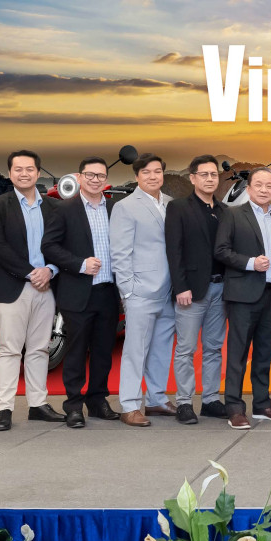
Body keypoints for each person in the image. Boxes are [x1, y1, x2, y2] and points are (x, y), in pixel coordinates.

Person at [0, 149, 65, 431]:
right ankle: (4, 408)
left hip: (46, 286)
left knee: (40, 348)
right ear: (10, 173)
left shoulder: (54, 207)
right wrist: (31, 272)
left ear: (38, 173)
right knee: (9, 349)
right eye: (18, 169)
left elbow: (62, 245)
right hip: (12, 286)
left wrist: (49, 270)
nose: (24, 174)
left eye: (30, 169)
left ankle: (38, 404)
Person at [42, 156, 122, 429]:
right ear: (79, 177)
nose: (95, 180)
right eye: (90, 175)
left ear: (106, 179)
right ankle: (74, 406)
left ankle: (98, 401)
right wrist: (79, 264)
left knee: (103, 351)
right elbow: (49, 247)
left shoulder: (115, 209)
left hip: (108, 292)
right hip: (78, 292)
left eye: (100, 175)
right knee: (76, 352)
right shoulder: (65, 209)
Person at [215, 167, 271, 429]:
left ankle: (262, 404)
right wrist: (250, 263)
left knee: (264, 353)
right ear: (248, 188)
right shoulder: (233, 214)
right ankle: (234, 408)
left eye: (269, 185)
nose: (264, 190)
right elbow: (221, 251)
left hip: (270, 294)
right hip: (242, 296)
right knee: (237, 355)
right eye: (258, 185)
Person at [110, 153, 176, 428]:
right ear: (137, 176)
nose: (152, 176)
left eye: (157, 171)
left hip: (170, 291)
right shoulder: (125, 207)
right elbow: (120, 253)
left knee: (161, 349)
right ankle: (129, 405)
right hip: (140, 291)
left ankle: (157, 399)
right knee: (135, 351)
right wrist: (128, 291)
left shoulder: (171, 203)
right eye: (146, 172)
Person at [164, 155, 229, 425]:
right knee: (186, 349)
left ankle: (211, 400)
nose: (210, 179)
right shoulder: (179, 207)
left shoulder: (225, 211)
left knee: (213, 348)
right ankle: (184, 402)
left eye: (213, 174)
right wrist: (181, 286)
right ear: (192, 178)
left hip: (221, 288)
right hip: (191, 291)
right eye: (204, 174)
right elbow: (174, 250)